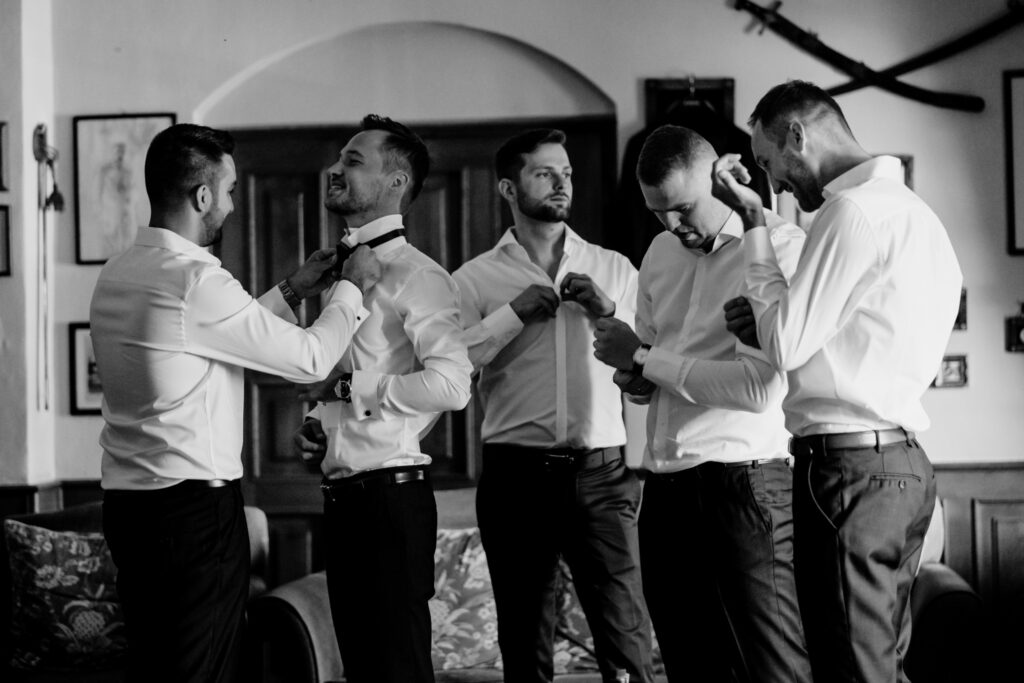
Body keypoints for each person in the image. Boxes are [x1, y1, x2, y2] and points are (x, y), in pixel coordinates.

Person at [90, 123, 380, 683]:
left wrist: (294, 289)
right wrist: (351, 288)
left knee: (159, 667)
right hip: (192, 518)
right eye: (228, 191)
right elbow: (311, 358)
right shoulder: (196, 280)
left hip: (130, 512)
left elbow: (210, 339)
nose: (230, 204)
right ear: (202, 196)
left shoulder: (119, 273)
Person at [711, 80, 963, 682]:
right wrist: (769, 327)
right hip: (903, 467)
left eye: (769, 163)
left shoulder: (851, 212)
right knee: (880, 666)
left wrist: (753, 220)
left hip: (849, 473)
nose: (774, 184)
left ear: (797, 135)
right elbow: (858, 337)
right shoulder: (917, 215)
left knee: (850, 670)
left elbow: (788, 343)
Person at [592, 124, 811, 683]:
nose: (672, 225)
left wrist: (642, 358)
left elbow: (758, 390)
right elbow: (649, 363)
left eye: (683, 208)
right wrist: (634, 373)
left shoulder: (779, 248)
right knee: (689, 666)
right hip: (665, 486)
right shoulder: (659, 252)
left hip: (745, 485)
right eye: (657, 212)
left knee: (772, 667)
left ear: (719, 182)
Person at [451, 128, 654, 683]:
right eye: (544, 173)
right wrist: (510, 315)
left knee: (626, 635)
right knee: (524, 638)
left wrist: (610, 313)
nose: (562, 183)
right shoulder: (473, 279)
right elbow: (451, 368)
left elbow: (652, 362)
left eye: (565, 173)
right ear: (508, 189)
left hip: (604, 473)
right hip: (516, 476)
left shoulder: (615, 268)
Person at [290, 115, 472, 683]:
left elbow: (453, 386)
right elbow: (349, 369)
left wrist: (354, 389)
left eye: (353, 160)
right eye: (339, 158)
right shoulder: (343, 273)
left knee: (398, 673)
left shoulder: (419, 276)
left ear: (396, 182)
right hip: (343, 499)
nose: (334, 169)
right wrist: (321, 421)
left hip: (391, 504)